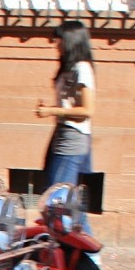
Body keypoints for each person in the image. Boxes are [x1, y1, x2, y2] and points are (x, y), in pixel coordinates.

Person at [36, 20, 96, 234]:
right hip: (62, 134)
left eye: (59, 39)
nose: (56, 44)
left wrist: (52, 111)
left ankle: (89, 252)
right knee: (62, 198)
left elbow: (87, 110)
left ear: (71, 40)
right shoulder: (69, 67)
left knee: (62, 199)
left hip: (73, 138)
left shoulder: (82, 68)